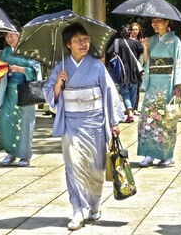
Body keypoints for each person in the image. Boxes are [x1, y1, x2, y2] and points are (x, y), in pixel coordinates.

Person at [43, 22, 124, 231]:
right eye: (79, 40)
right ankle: (77, 209)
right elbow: (49, 93)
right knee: (73, 165)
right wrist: (59, 83)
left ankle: (94, 204)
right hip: (71, 123)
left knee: (95, 168)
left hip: (95, 121)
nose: (84, 44)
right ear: (68, 44)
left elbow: (108, 92)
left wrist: (114, 122)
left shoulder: (96, 65)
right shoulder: (61, 67)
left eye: (86, 39)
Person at [137, 17, 181, 167]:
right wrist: (145, 47)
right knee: (147, 119)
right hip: (153, 83)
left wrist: (178, 86)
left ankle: (167, 155)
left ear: (167, 22)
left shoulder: (175, 40)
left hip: (168, 83)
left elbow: (179, 62)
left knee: (166, 121)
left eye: (158, 21)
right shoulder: (151, 40)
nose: (154, 24)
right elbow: (145, 62)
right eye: (152, 21)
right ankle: (149, 154)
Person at [0, 29, 41, 167]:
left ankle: (25, 155)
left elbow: (36, 70)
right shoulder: (5, 52)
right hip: (9, 90)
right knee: (6, 121)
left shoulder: (30, 51)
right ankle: (11, 153)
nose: (9, 39)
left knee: (25, 123)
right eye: (7, 36)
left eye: (12, 36)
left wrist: (20, 69)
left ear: (19, 35)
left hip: (24, 91)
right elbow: (0, 70)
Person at [107, 25, 143, 123]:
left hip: (122, 73)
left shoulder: (117, 42)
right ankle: (131, 110)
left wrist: (117, 54)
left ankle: (129, 113)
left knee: (125, 93)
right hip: (135, 72)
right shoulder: (135, 42)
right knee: (133, 93)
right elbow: (142, 50)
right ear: (130, 33)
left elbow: (109, 51)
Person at [130, 22, 144, 115]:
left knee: (137, 86)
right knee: (129, 86)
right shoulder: (127, 40)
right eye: (133, 29)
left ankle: (135, 107)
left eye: (136, 29)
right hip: (129, 66)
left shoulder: (141, 41)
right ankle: (130, 107)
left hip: (138, 66)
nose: (135, 31)